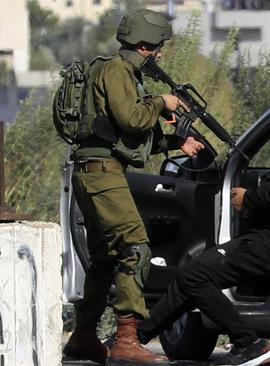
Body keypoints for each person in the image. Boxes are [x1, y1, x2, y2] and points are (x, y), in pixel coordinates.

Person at [136, 76, 270, 366]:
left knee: (194, 276)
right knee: (190, 277)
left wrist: (250, 200)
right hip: (266, 235)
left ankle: (249, 343)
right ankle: (136, 339)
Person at [62, 8, 204, 365]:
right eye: (158, 47)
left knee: (103, 259)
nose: (160, 54)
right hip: (102, 174)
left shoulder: (115, 71)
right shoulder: (116, 71)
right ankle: (126, 338)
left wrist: (176, 143)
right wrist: (162, 102)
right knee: (135, 248)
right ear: (146, 44)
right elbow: (132, 118)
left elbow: (124, 136)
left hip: (97, 170)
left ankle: (83, 337)